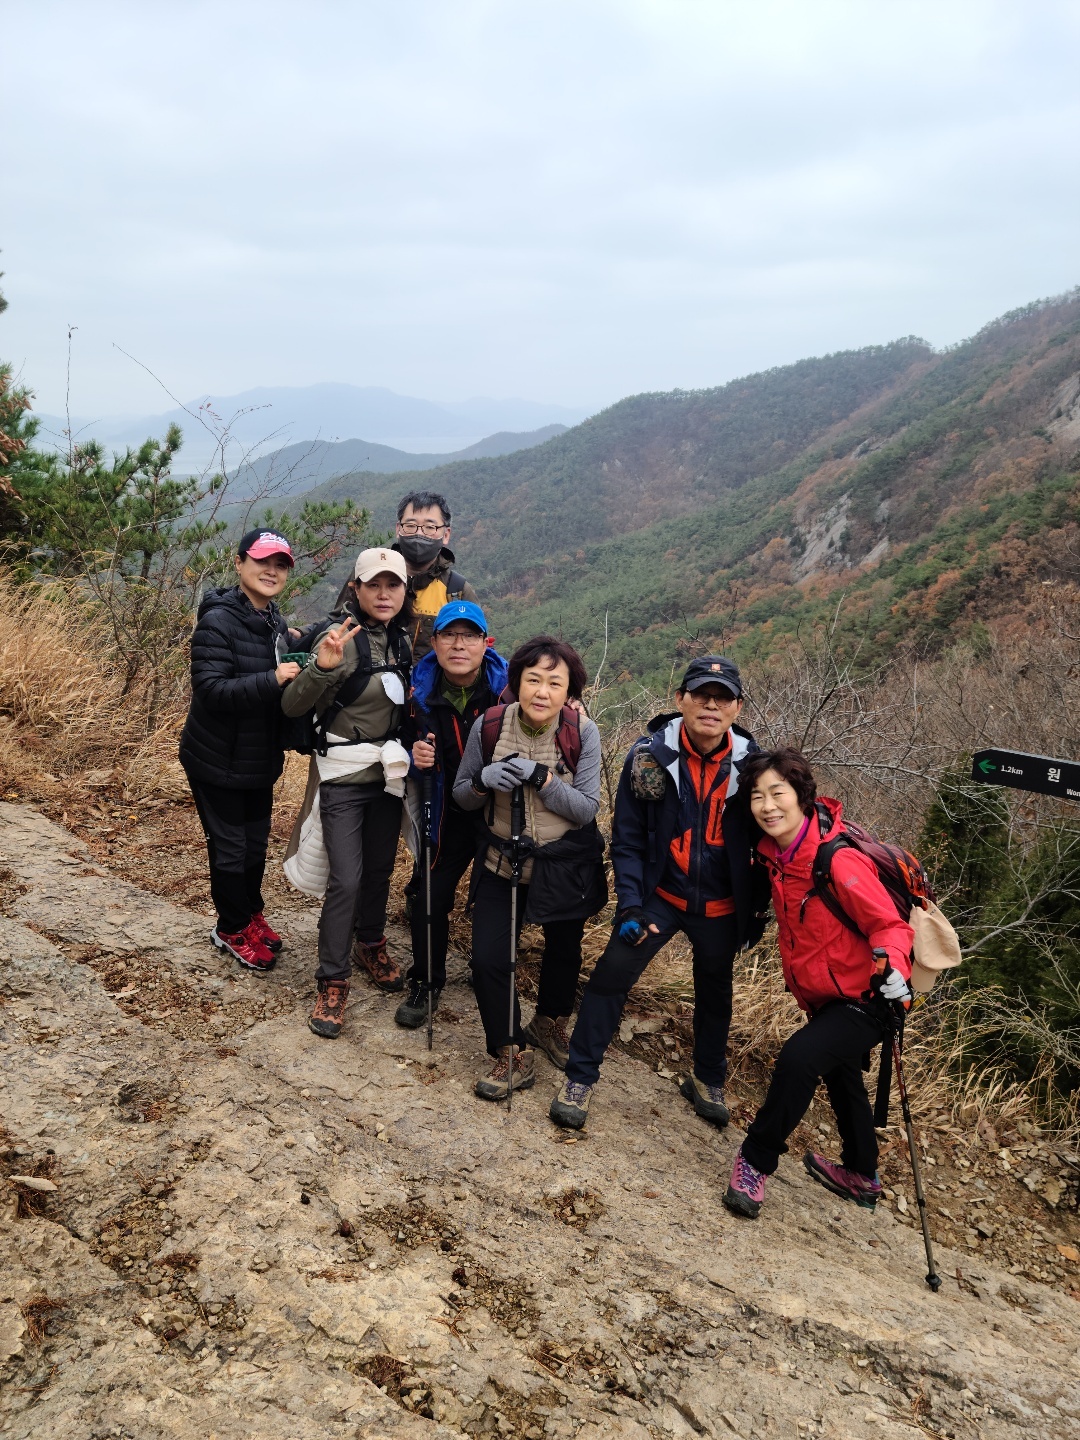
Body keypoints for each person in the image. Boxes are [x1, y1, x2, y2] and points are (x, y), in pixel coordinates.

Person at [550, 656, 769, 1131]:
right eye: (701, 694)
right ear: (680, 700)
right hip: (660, 895)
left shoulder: (755, 769)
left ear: (737, 708)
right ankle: (579, 1077)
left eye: (723, 698)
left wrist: (756, 911)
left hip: (721, 905)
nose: (711, 705)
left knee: (715, 991)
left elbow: (772, 843)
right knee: (611, 976)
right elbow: (627, 839)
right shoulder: (650, 756)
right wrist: (630, 905)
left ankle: (707, 1078)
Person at [723, 747, 914, 1220]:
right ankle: (861, 1173)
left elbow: (889, 926)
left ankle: (755, 1161)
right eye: (757, 796)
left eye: (778, 793)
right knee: (841, 1072)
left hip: (870, 993)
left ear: (802, 796)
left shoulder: (837, 860)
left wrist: (893, 968)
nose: (768, 806)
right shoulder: (774, 856)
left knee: (801, 1058)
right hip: (826, 995)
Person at [453, 636, 607, 1100]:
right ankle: (510, 1050)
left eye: (554, 683)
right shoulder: (489, 725)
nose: (542, 691)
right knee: (488, 958)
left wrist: (544, 779)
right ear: (516, 682)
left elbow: (586, 808)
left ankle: (548, 1022)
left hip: (563, 864)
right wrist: (482, 781)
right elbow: (461, 794)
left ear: (569, 691)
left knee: (563, 950)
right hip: (503, 860)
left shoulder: (582, 733)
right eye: (533, 679)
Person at [281, 547, 413, 1038]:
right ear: (355, 588)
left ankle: (370, 943)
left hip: (388, 777)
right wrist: (321, 667)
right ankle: (332, 980)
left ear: (404, 591)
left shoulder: (401, 641)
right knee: (347, 880)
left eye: (393, 584)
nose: (384, 593)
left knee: (379, 871)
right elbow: (293, 706)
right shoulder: (342, 639)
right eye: (373, 584)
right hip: (343, 778)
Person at [179, 529, 301, 971]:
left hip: (257, 758)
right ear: (239, 563)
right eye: (262, 561)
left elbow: (273, 658)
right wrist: (274, 678)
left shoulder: (272, 620)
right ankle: (230, 927)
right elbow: (211, 690)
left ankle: (250, 913)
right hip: (216, 759)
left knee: (254, 846)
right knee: (230, 848)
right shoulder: (217, 621)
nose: (272, 571)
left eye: (280, 564)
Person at [396, 599, 509, 1029]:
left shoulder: (508, 690)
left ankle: (491, 972)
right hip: (445, 811)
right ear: (435, 642)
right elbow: (397, 740)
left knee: (499, 898)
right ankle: (426, 981)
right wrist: (413, 756)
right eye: (449, 635)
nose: (459, 645)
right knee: (429, 896)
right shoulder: (418, 694)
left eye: (469, 635)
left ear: (486, 643)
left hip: (498, 811)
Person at [393, 490, 479, 660]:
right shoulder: (371, 578)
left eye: (430, 527)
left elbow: (475, 651)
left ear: (446, 535)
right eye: (410, 525)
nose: (419, 533)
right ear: (398, 529)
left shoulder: (457, 591)